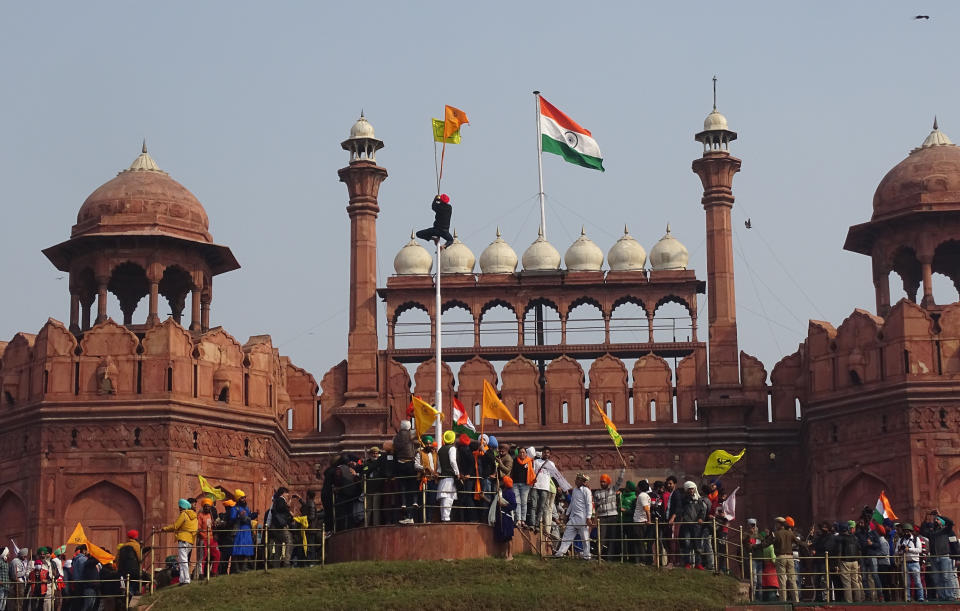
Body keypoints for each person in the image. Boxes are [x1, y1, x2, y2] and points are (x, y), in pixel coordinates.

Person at [553, 473, 594, 559]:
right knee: (566, 536)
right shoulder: (575, 490)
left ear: (582, 481)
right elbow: (572, 503)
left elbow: (589, 504)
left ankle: (587, 556)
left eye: (578, 479)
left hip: (582, 518)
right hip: (573, 518)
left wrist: (588, 518)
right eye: (576, 479)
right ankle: (560, 553)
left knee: (585, 539)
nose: (576, 481)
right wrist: (566, 514)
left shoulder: (586, 491)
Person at [920, 509, 958, 600]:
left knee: (946, 577)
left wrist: (940, 515)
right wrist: (926, 517)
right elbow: (922, 531)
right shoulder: (931, 532)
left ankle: (950, 596)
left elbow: (951, 522)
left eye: (938, 520)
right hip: (934, 557)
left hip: (945, 556)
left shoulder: (946, 530)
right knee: (937, 578)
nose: (936, 520)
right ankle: (942, 596)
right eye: (935, 519)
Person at [161, 498, 198, 586]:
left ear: (182, 507)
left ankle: (186, 580)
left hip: (183, 539)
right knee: (182, 561)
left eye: (180, 507)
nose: (179, 509)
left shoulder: (184, 514)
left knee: (183, 561)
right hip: (190, 540)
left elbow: (176, 526)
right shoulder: (194, 516)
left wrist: (164, 529)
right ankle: (182, 579)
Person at [593, 467, 625, 561]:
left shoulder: (613, 490)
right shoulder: (597, 493)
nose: (602, 483)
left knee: (612, 537)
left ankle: (610, 557)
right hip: (602, 517)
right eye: (601, 482)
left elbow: (620, 480)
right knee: (601, 537)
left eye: (604, 481)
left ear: (608, 482)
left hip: (613, 516)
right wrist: (595, 518)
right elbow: (596, 507)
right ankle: (599, 556)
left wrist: (623, 469)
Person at [392, 421, 418, 524]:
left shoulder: (396, 437)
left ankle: (403, 503)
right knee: (412, 485)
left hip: (399, 462)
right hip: (409, 463)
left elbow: (394, 447)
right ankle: (415, 501)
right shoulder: (411, 434)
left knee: (403, 485)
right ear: (409, 427)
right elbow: (419, 431)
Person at [833, 520, 862, 603]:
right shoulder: (855, 537)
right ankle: (858, 600)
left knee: (846, 583)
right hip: (855, 562)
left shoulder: (840, 538)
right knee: (855, 582)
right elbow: (859, 549)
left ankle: (849, 601)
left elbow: (839, 551)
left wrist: (837, 564)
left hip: (845, 561)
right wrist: (859, 562)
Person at [228, 491, 256, 573]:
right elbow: (232, 519)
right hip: (239, 530)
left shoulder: (246, 508)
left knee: (247, 548)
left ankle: (244, 566)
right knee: (237, 550)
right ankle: (236, 568)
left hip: (247, 530)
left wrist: (255, 514)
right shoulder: (235, 508)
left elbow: (250, 517)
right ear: (238, 499)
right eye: (242, 498)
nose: (244, 499)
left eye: (244, 497)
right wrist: (239, 515)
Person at [897, 522, 925, 602]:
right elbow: (896, 552)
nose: (906, 533)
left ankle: (920, 597)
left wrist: (909, 549)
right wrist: (900, 550)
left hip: (914, 563)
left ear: (911, 531)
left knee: (917, 581)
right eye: (905, 531)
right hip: (904, 563)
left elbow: (919, 550)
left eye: (908, 531)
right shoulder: (901, 540)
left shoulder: (916, 539)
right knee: (906, 583)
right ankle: (908, 598)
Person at [268, 487, 294, 568]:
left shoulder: (276, 501)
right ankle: (286, 562)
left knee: (278, 545)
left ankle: (276, 565)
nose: (287, 495)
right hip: (280, 526)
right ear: (283, 493)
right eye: (287, 493)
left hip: (274, 527)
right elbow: (282, 510)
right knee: (289, 541)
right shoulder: (281, 500)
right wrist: (289, 512)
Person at [437, 430, 460, 522]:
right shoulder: (452, 449)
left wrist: (438, 472)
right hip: (450, 478)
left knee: (443, 499)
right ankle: (446, 518)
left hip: (442, 478)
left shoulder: (440, 450)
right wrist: (457, 472)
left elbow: (439, 466)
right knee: (448, 498)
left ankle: (444, 517)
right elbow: (453, 461)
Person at [493, 476, 518, 559]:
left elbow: (514, 505)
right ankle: (504, 554)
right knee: (503, 536)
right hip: (500, 516)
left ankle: (510, 555)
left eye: (502, 482)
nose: (500, 483)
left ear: (505, 483)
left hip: (507, 517)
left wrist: (503, 505)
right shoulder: (500, 492)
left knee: (508, 537)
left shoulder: (510, 493)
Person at [510, 447, 533, 529]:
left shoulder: (529, 461)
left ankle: (523, 520)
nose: (522, 454)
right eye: (520, 452)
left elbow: (532, 473)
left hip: (525, 485)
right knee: (517, 502)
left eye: (523, 452)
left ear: (526, 453)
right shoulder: (515, 461)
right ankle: (518, 520)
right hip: (515, 484)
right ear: (518, 453)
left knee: (524, 502)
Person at [195, 499, 220, 577]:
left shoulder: (211, 515)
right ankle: (201, 574)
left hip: (211, 539)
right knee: (203, 557)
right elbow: (198, 528)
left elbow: (212, 526)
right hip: (203, 539)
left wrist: (215, 526)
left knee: (217, 554)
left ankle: (213, 572)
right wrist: (204, 535)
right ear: (203, 507)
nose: (207, 508)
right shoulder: (200, 515)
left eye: (208, 506)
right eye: (205, 506)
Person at [115, 530, 142, 596]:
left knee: (126, 584)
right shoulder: (136, 545)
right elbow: (140, 557)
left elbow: (117, 559)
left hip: (123, 570)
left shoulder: (123, 546)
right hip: (134, 569)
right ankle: (131, 594)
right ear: (136, 537)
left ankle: (128, 595)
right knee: (134, 584)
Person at [0, 547, 10, 611]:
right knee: (1, 600)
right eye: (8, 552)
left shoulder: (6, 563)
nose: (9, 553)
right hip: (1, 585)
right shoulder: (0, 562)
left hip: (6, 585)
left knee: (4, 601)